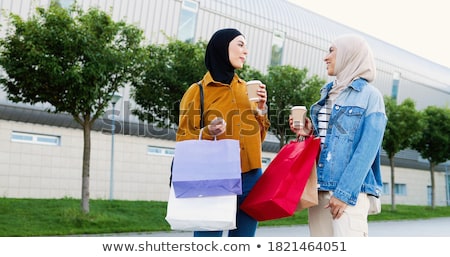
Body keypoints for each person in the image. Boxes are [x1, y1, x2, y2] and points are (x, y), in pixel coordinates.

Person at [176, 28, 270, 237]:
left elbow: (258, 139)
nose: (246, 51)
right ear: (222, 48)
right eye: (240, 44)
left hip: (251, 177)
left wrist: (261, 110)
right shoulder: (198, 91)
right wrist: (208, 132)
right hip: (214, 177)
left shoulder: (247, 89)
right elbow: (183, 137)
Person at [290, 34, 387, 237]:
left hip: (348, 193)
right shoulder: (327, 94)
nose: (326, 57)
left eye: (332, 51)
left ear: (349, 55)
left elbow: (366, 150)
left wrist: (343, 194)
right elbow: (328, 143)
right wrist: (309, 133)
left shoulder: (371, 96)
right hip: (320, 188)